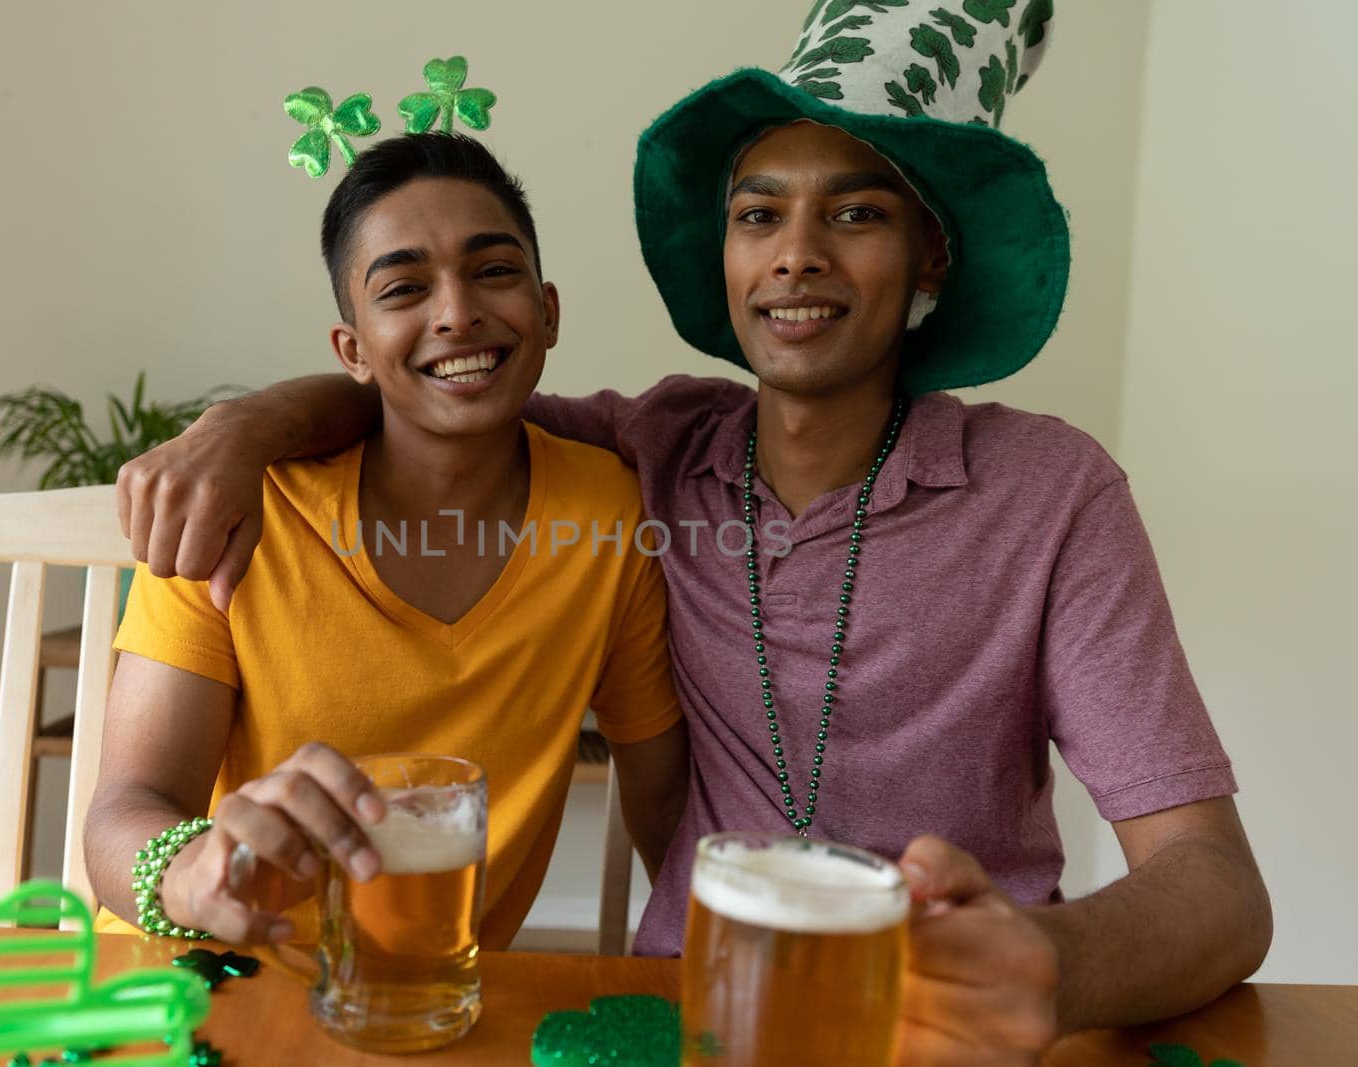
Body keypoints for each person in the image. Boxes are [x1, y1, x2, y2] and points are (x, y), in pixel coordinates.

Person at [115, 4, 1272, 1061]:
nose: (796, 253)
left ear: (931, 256)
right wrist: (244, 425)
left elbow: (1216, 885)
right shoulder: (653, 452)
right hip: (680, 1012)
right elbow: (436, 396)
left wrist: (1049, 965)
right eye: (758, 211)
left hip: (958, 1026)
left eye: (857, 211)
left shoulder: (1051, 491)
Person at [84, 132, 688, 950]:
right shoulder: (245, 508)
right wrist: (193, 870)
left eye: (495, 271)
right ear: (352, 350)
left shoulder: (610, 518)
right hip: (207, 993)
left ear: (548, 313)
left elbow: (664, 812)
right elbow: (125, 810)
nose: (457, 311)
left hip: (441, 1006)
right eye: (404, 288)